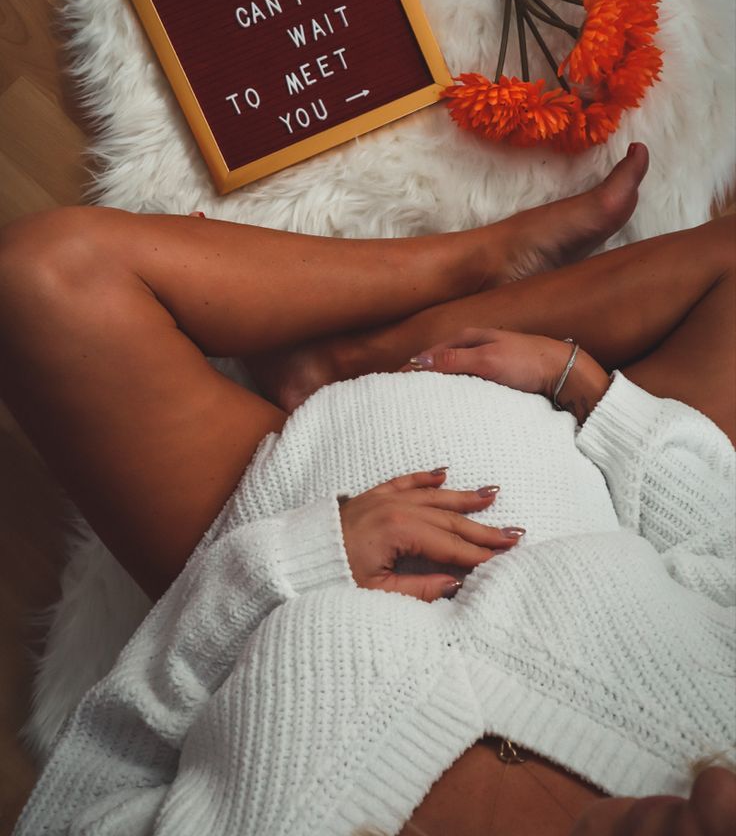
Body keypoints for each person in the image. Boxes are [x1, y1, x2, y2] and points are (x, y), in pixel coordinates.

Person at [1, 143, 734, 836]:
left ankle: (368, 342)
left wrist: (297, 563)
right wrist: (587, 387)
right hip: (562, 443)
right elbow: (718, 555)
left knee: (41, 277)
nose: (718, 788)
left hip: (268, 497)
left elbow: (102, 777)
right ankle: (421, 304)